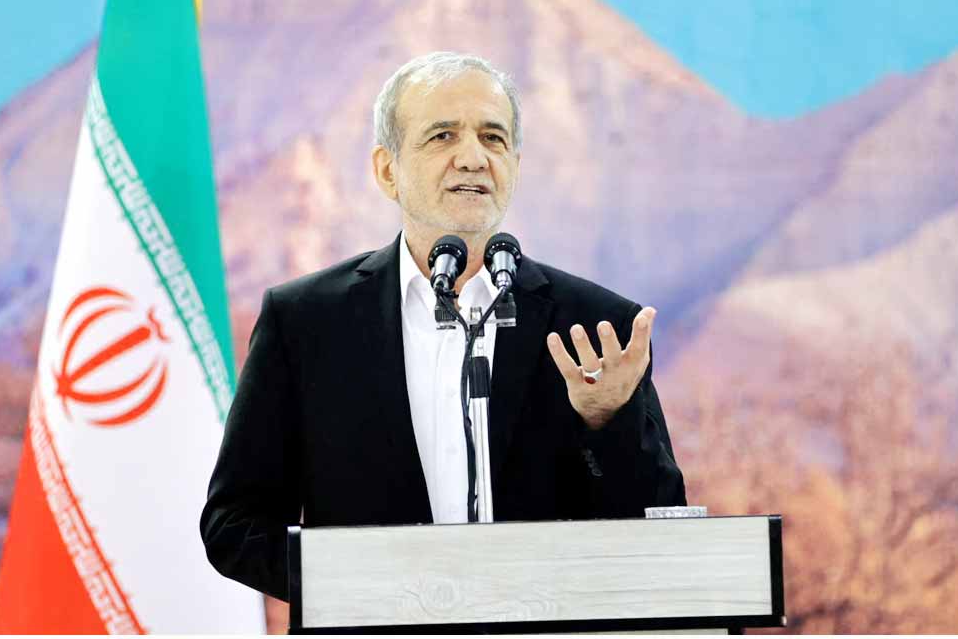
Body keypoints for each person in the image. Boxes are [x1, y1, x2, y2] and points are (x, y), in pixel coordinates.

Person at [200, 52, 686, 602]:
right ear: (388, 170)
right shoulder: (305, 322)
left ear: (515, 166)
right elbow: (235, 524)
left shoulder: (598, 328)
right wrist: (366, 593)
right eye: (442, 136)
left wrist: (608, 423)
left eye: (493, 138)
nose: (473, 158)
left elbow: (659, 530)